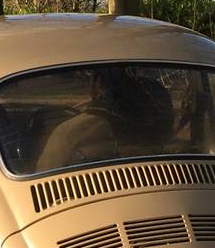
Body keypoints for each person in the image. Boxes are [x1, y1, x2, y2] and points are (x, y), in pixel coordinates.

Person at [35, 66, 175, 172]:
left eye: (91, 78)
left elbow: (44, 175)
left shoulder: (69, 132)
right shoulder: (155, 122)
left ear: (99, 83)